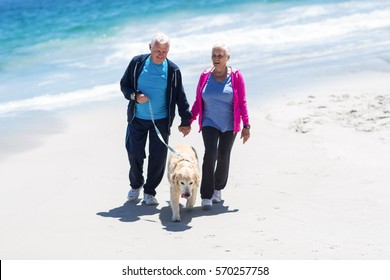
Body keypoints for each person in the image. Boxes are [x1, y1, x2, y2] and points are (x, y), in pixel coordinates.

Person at [120, 33, 192, 205]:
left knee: (157, 158)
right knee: (134, 154)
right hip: (137, 119)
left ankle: (150, 192)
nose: (161, 54)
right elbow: (124, 85)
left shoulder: (173, 70)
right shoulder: (137, 63)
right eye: (157, 50)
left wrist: (185, 120)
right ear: (150, 47)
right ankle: (136, 185)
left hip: (160, 121)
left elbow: (180, 96)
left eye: (165, 51)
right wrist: (135, 96)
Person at [190, 43, 250, 209]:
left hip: (230, 124)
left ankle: (218, 188)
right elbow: (198, 101)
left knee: (224, 156)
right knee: (211, 153)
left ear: (227, 58)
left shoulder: (236, 77)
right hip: (209, 121)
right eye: (214, 55)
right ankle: (206, 195)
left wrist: (247, 125)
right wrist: (189, 120)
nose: (216, 58)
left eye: (220, 55)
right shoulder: (205, 76)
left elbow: (243, 102)